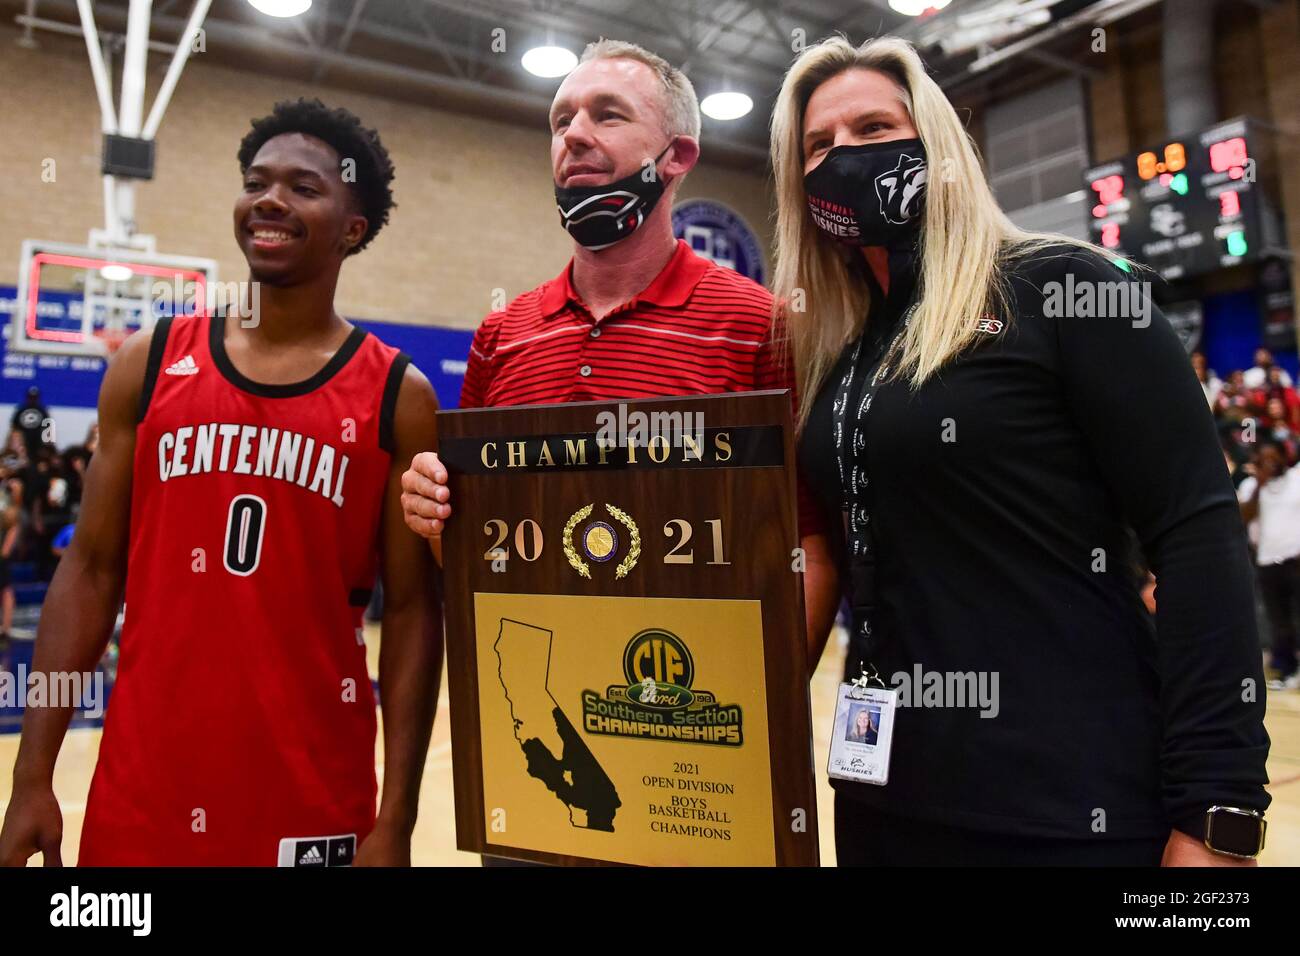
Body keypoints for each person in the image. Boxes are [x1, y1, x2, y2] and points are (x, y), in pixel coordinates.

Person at [771, 36, 1268, 866]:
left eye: (873, 128)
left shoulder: (1063, 289)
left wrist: (1219, 813)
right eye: (818, 145)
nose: (843, 157)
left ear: (934, 142)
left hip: (1070, 805)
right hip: (883, 798)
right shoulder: (840, 351)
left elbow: (1198, 537)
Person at [0, 99, 443, 867]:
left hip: (313, 794)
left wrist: (395, 818)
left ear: (353, 227)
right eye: (255, 182)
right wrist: (31, 775)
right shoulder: (146, 363)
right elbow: (92, 569)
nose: (269, 199)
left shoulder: (396, 396)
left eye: (303, 188)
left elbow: (409, 613)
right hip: (143, 791)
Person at [400, 38, 830, 635]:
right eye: (561, 120)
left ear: (677, 155)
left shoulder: (761, 325)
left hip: (691, 697)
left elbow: (808, 539)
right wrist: (436, 512)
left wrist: (771, 705)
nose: (573, 134)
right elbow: (471, 551)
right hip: (537, 695)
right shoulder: (501, 335)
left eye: (607, 114)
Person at [1239, 442, 1300, 690]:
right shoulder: (1251, 487)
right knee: (1278, 619)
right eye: (1265, 459)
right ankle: (1286, 669)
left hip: (1295, 559)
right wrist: (1259, 487)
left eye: (1275, 457)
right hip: (1267, 560)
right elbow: (1242, 518)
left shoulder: (1296, 480)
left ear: (1286, 457)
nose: (1271, 462)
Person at [10, 386, 49, 458]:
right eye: (31, 397)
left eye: (34, 397)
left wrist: (46, 444)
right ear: (27, 397)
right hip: (23, 444)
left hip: (38, 444)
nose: (32, 400)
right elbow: (14, 427)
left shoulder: (42, 410)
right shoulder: (21, 410)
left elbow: (47, 427)